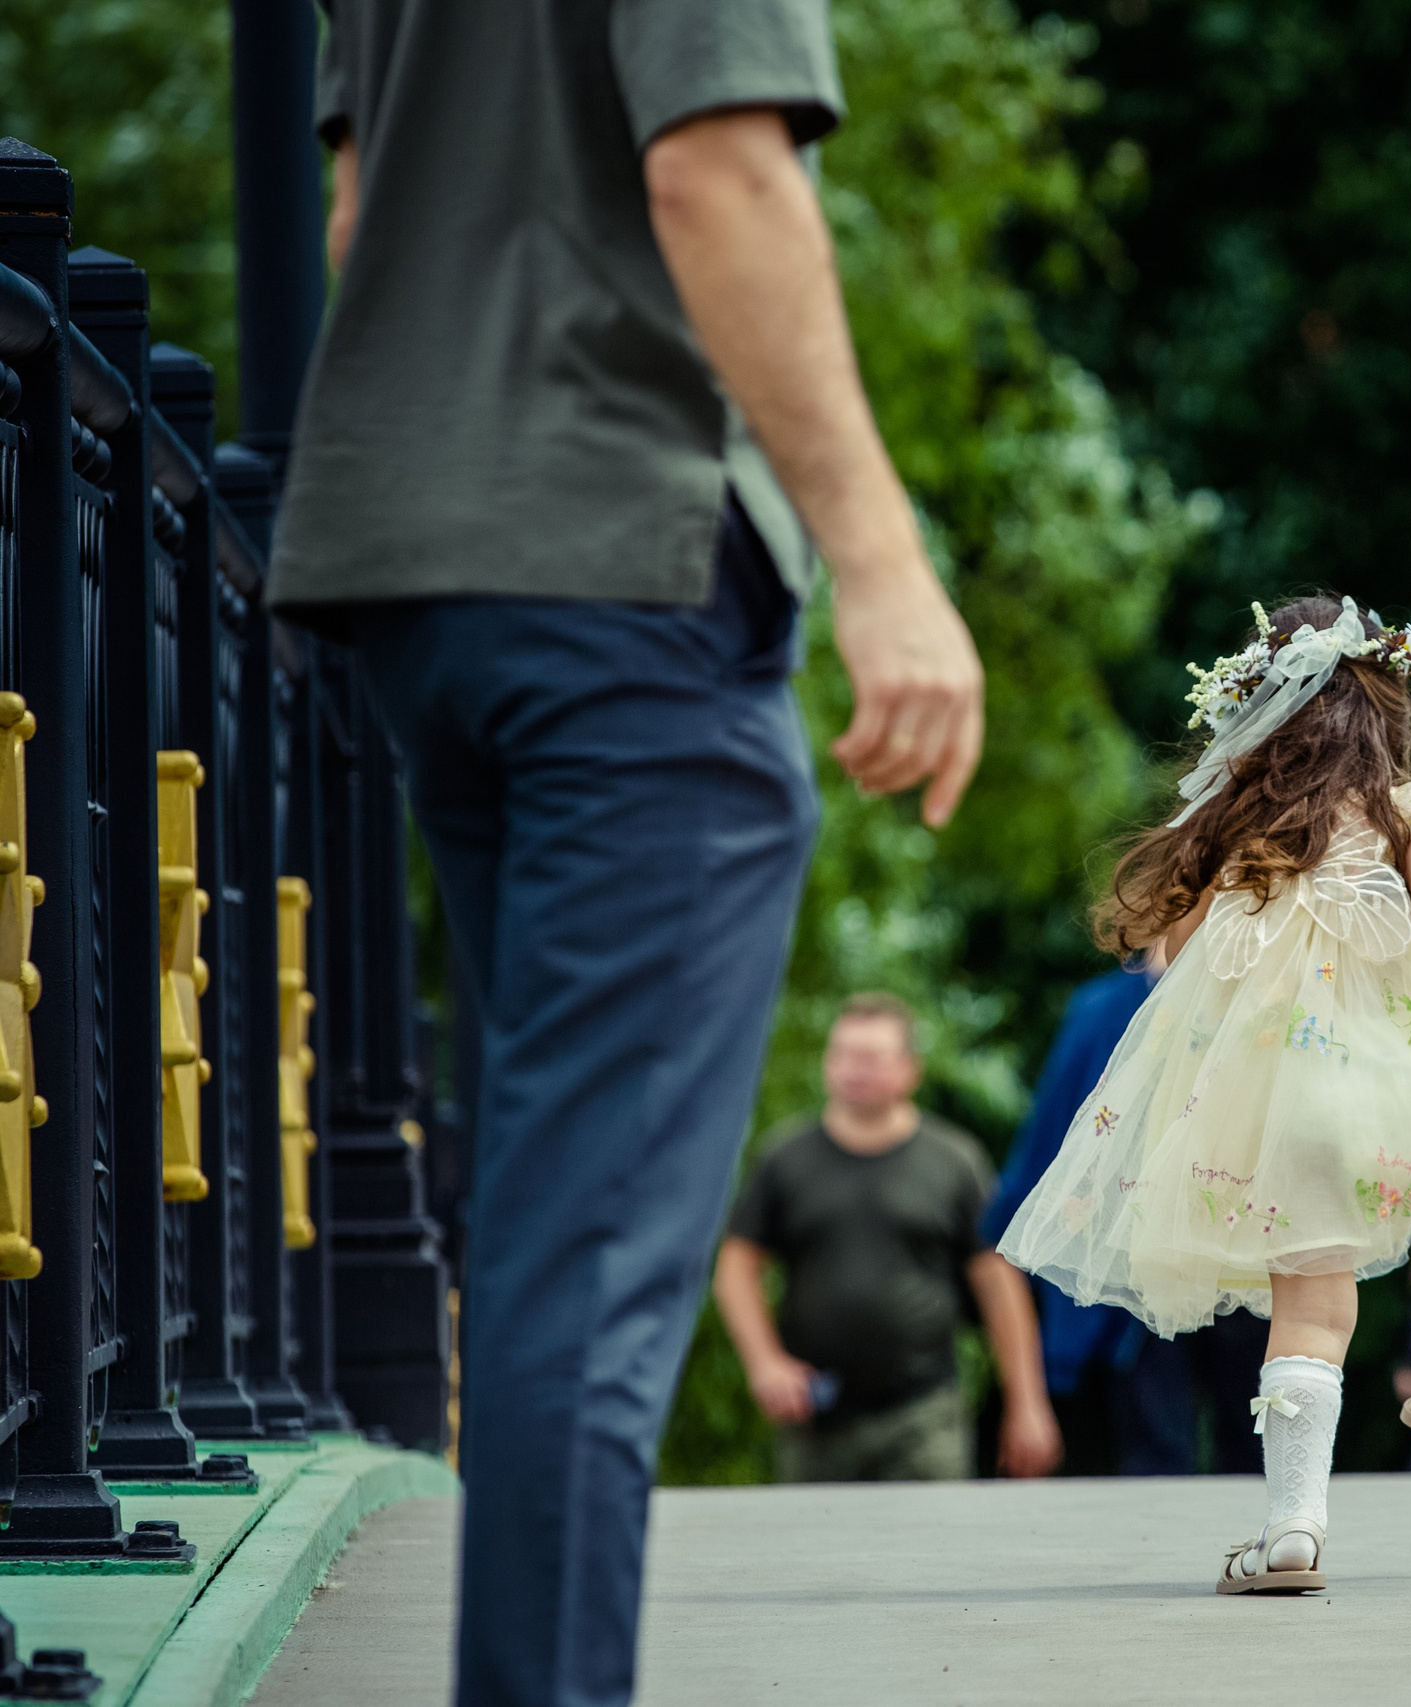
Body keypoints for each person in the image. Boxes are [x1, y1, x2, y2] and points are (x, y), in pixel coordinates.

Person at [273, 6, 983, 1702]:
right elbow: (719, 172)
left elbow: (366, 214)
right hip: (619, 570)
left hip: (423, 567)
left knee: (545, 1213)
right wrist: (879, 558)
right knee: (589, 1257)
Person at [1000, 596, 1411, 1594]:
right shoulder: (1402, 808)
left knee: (1312, 1311)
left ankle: (1292, 1532)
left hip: (1281, 1109)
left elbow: (1168, 952)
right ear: (1384, 707)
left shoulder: (1235, 816)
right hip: (1403, 1083)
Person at [713, 995, 1060, 1482]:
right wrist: (765, 1363)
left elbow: (998, 1283)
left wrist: (1028, 1404)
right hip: (815, 1419)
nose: (854, 1069)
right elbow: (734, 1270)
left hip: (923, 1417)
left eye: (871, 1057)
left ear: (909, 1070)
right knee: (813, 1557)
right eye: (843, 1054)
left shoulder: (954, 1161)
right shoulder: (784, 1158)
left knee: (932, 1552)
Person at [978, 959, 1266, 1474]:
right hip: (1142, 1275)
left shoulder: (1269, 993)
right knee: (1157, 1456)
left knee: (1258, 1443)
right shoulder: (1104, 1010)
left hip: (1245, 1252)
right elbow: (1049, 1156)